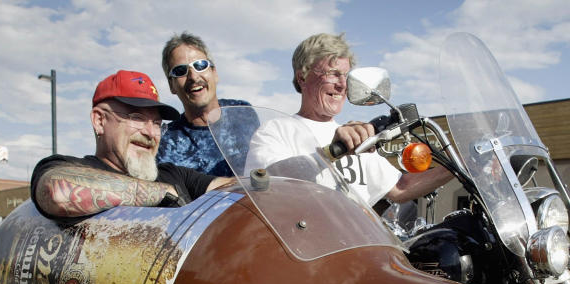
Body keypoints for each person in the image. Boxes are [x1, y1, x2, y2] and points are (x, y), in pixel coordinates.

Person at [245, 33, 452, 208]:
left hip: (356, 247)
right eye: (333, 74)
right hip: (303, 249)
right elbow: (262, 184)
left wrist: (464, 168)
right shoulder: (276, 131)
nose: (343, 85)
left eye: (346, 76)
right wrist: (332, 151)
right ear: (302, 78)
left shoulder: (356, 135)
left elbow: (400, 187)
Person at [32, 69, 234, 218]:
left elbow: (231, 187)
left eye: (156, 123)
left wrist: (261, 182)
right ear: (99, 121)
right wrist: (165, 194)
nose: (150, 132)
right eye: (136, 118)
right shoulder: (68, 168)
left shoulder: (174, 174)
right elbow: (56, 193)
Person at [156, 32, 257, 177]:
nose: (193, 76)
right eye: (180, 71)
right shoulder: (165, 143)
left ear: (214, 73)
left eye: (200, 65)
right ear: (171, 85)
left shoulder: (244, 111)